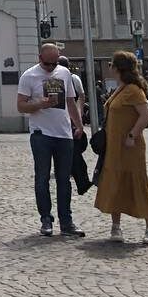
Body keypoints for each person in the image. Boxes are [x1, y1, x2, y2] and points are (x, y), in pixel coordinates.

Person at [16, 42, 85, 237]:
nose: (51, 67)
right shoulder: (29, 76)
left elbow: (70, 102)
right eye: (48, 64)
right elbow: (20, 106)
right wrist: (40, 103)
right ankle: (46, 219)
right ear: (40, 59)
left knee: (64, 179)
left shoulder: (64, 73)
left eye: (55, 63)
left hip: (63, 134)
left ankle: (66, 221)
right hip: (41, 134)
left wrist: (78, 125)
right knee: (42, 178)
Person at [94, 51, 148, 244]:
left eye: (111, 64)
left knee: (138, 182)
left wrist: (132, 135)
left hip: (130, 147)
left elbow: (145, 116)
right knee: (115, 183)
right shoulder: (120, 89)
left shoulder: (133, 90)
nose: (109, 67)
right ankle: (116, 227)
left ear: (118, 68)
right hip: (114, 147)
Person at [57, 55, 91, 194]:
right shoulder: (68, 78)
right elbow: (81, 97)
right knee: (72, 149)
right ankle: (80, 179)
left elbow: (79, 98)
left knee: (73, 148)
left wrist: (78, 115)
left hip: (67, 118)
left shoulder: (71, 78)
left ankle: (79, 178)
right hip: (65, 118)